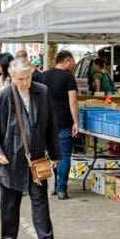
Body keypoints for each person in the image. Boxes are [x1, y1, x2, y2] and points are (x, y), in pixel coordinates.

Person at [0, 56, 63, 239]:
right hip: (10, 158)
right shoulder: (4, 96)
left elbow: (51, 125)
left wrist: (55, 154)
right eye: (20, 79)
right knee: (10, 202)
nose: (25, 82)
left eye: (28, 78)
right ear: (12, 77)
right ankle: (8, 238)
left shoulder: (42, 92)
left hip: (37, 158)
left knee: (40, 200)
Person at [42, 50, 79, 200]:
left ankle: (51, 185)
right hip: (64, 121)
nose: (73, 65)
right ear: (66, 61)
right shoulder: (68, 77)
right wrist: (76, 121)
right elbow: (73, 101)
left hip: (46, 122)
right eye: (72, 62)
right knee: (64, 155)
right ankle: (61, 189)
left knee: (50, 155)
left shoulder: (43, 76)